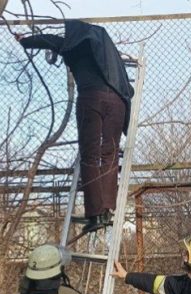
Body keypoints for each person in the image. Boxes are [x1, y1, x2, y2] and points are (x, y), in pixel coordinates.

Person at [15, 20, 134, 233]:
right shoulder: (107, 53)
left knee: (90, 156)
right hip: (117, 103)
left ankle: (95, 214)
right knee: (110, 155)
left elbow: (49, 41)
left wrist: (24, 41)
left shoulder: (72, 47)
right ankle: (107, 211)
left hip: (91, 99)